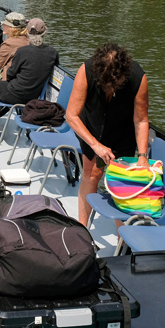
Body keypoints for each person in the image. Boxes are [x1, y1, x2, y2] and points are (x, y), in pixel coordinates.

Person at [65, 43, 149, 226]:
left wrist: (142, 156)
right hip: (92, 130)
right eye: (106, 85)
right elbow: (71, 115)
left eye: (116, 85)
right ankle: (83, 229)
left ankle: (122, 239)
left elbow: (141, 120)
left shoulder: (138, 78)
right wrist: (96, 145)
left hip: (122, 133)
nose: (110, 89)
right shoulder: (86, 70)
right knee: (92, 174)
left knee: (122, 183)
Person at [0, 18, 59, 146]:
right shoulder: (53, 52)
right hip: (34, 96)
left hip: (16, 93)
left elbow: (10, 74)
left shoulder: (23, 51)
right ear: (44, 33)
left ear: (28, 33)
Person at [0, 11, 28, 80]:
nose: (2, 26)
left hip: (8, 80)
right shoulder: (28, 40)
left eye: (5, 24)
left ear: (11, 28)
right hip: (23, 78)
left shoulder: (9, 44)